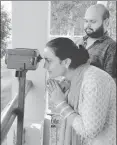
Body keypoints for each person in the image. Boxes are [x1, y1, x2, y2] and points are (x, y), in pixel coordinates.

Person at [43, 37, 116, 145]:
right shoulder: (72, 81)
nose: (44, 66)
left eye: (49, 61)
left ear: (66, 62)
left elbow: (89, 131)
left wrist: (61, 104)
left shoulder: (93, 81)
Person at [76, 4, 116, 80]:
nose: (88, 25)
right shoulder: (79, 42)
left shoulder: (112, 47)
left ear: (106, 22)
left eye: (93, 21)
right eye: (86, 21)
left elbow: (111, 83)